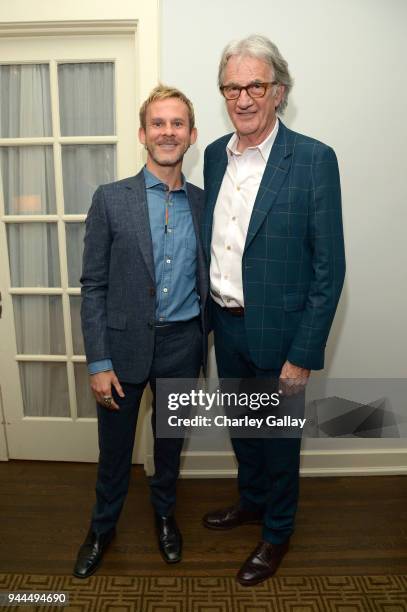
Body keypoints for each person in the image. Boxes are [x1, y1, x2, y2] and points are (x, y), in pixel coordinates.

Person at [201, 35, 345, 586]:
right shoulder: (215, 155)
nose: (242, 98)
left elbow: (329, 267)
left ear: (277, 92)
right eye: (232, 87)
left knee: (280, 443)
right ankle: (253, 503)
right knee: (244, 431)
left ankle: (277, 533)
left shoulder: (312, 159)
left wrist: (304, 352)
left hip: (282, 337)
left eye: (254, 85)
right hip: (227, 327)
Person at [73, 85, 208, 578]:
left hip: (182, 345)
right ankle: (101, 528)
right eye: (158, 123)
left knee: (169, 445)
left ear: (191, 135)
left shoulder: (203, 203)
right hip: (122, 348)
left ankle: (165, 515)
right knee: (114, 452)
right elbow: (93, 285)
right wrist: (99, 361)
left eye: (177, 124)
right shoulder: (110, 200)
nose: (167, 132)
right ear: (142, 134)